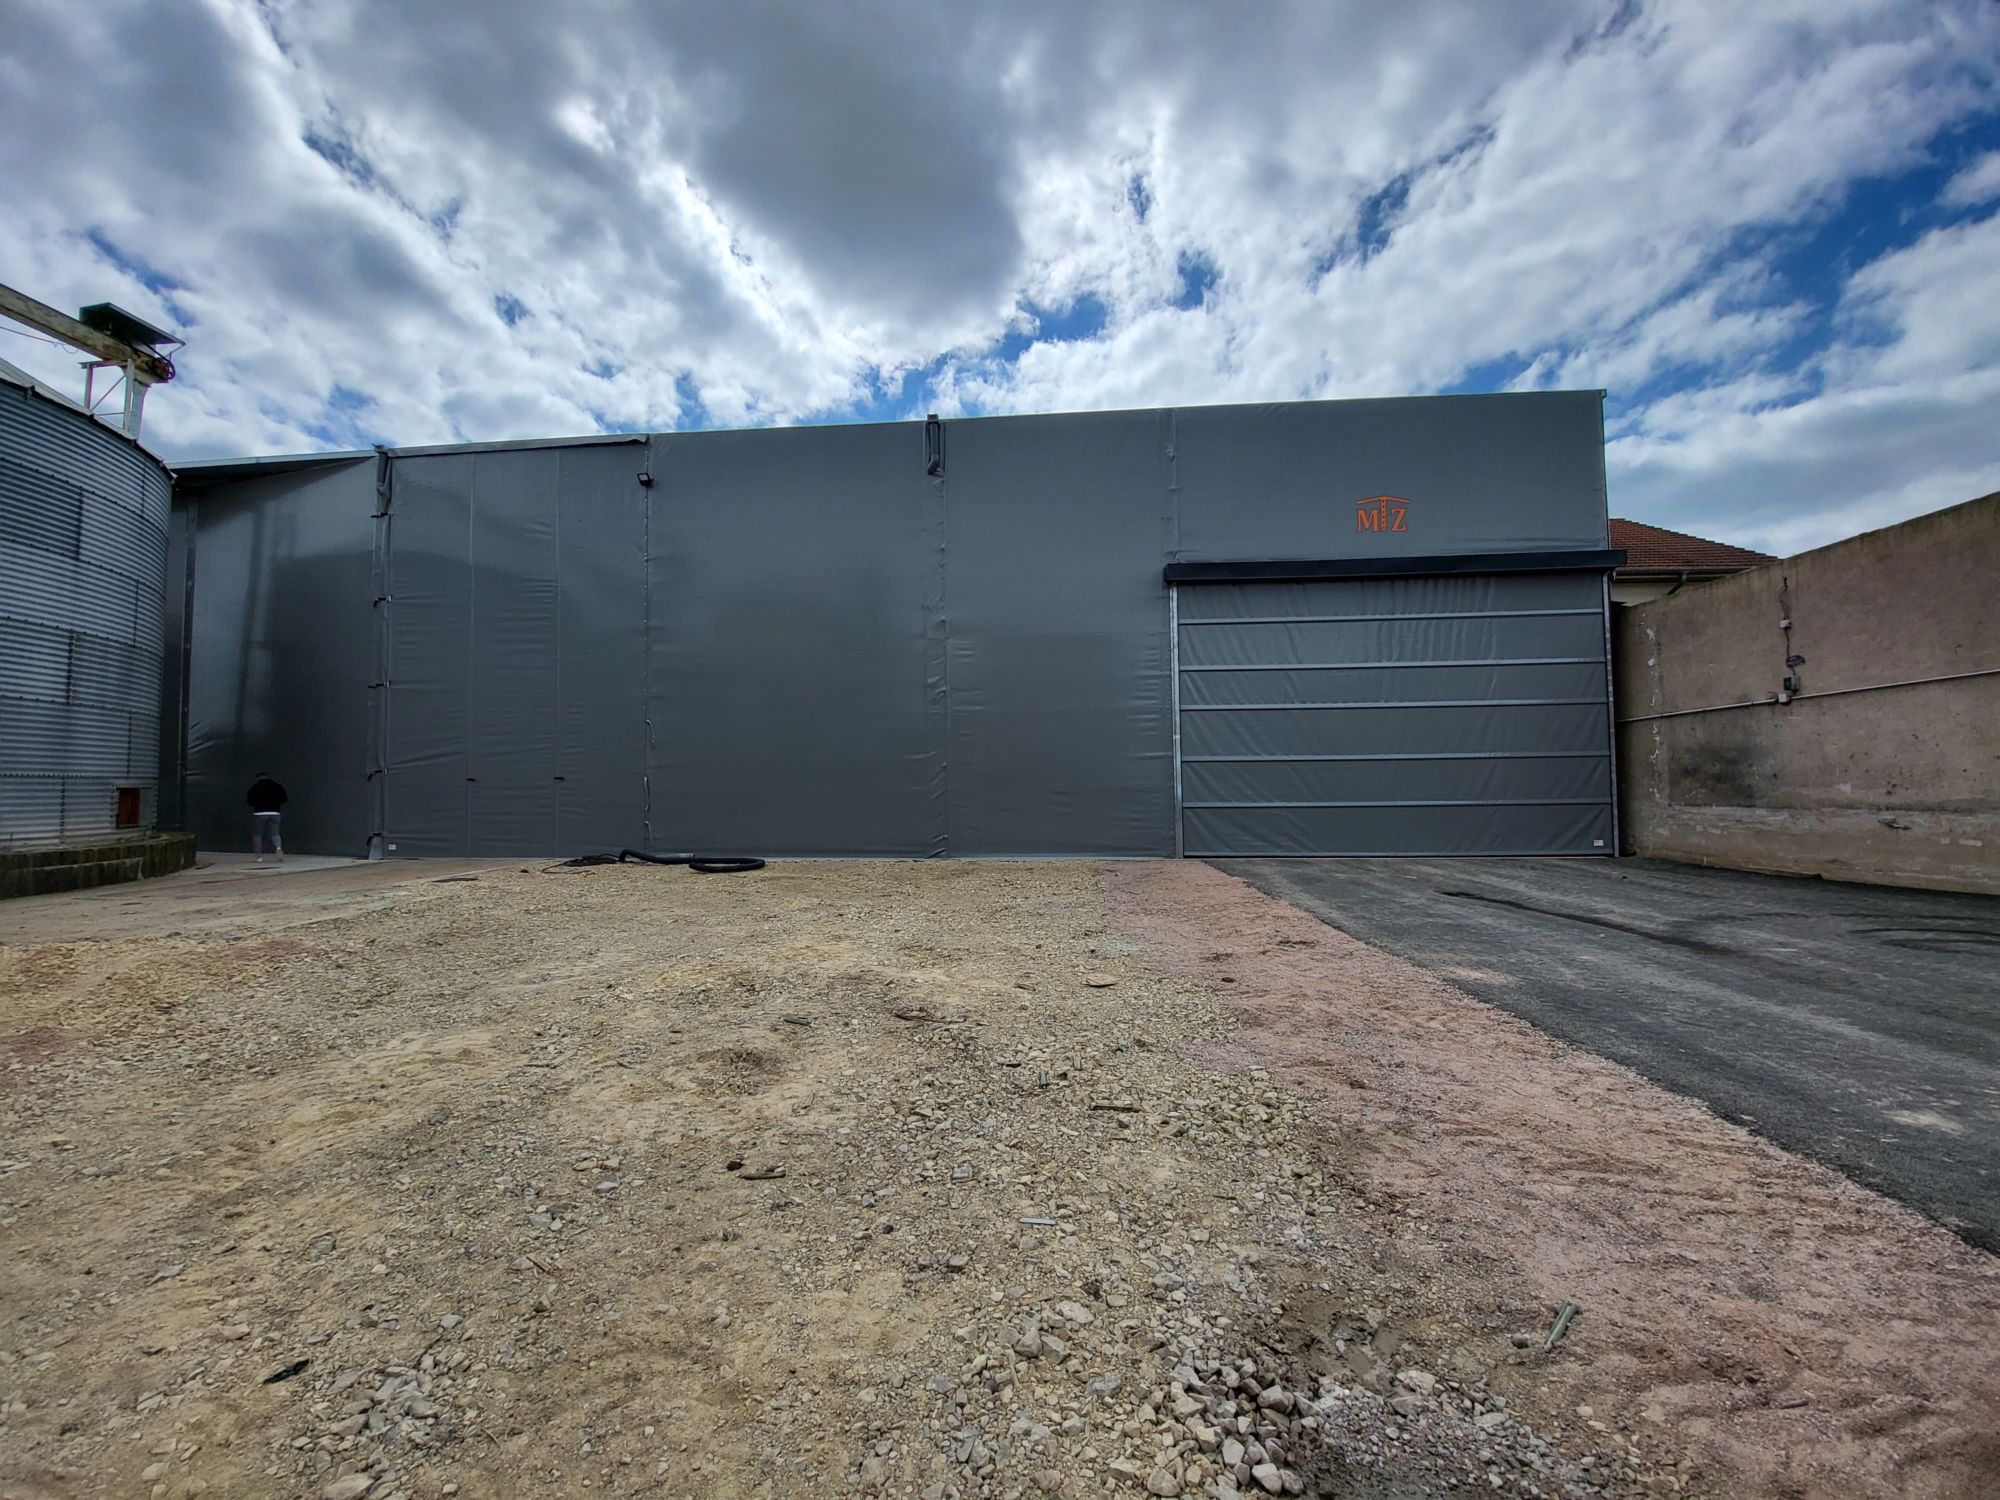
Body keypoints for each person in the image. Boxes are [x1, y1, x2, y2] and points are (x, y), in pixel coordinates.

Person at [246, 771, 288, 862]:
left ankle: (259, 857)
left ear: (257, 778)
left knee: (257, 835)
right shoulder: (278, 786)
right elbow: (284, 799)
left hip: (259, 813)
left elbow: (249, 802)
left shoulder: (254, 787)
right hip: (275, 813)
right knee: (275, 834)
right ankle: (278, 849)